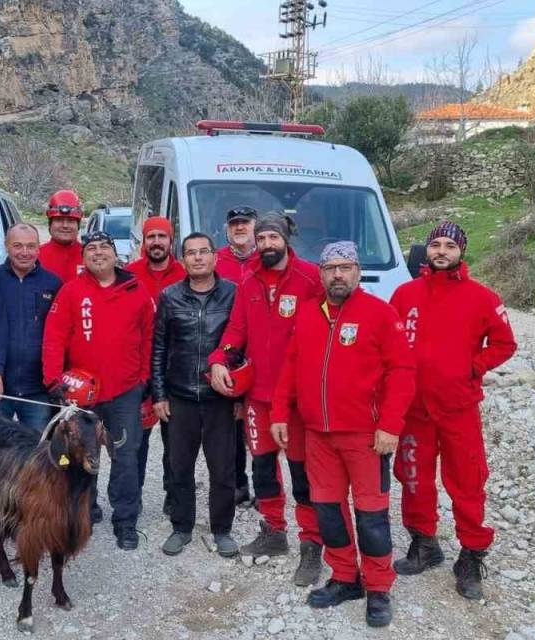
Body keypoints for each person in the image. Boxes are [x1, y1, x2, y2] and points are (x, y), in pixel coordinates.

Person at [270, 241, 415, 627]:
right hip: (318, 435)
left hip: (366, 436)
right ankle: (345, 577)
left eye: (345, 267)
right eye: (331, 268)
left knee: (371, 516)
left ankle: (380, 586)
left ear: (357, 272)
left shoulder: (380, 314)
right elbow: (291, 366)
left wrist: (390, 425)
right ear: (320, 274)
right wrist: (280, 413)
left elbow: (402, 373)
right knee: (329, 512)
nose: (338, 274)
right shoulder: (307, 315)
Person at [389, 220, 518, 601]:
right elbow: (390, 343)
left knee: (467, 480)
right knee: (413, 477)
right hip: (414, 408)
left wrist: (472, 367)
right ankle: (424, 543)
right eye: (435, 245)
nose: (441, 251)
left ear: (461, 251)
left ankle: (471, 553)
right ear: (426, 251)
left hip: (458, 406)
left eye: (449, 245)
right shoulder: (405, 294)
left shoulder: (483, 297)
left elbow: (504, 343)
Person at [207, 214, 327, 587]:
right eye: (261, 239)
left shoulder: (310, 278)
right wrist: (219, 358)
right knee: (262, 467)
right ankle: (275, 530)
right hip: (259, 395)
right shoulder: (250, 279)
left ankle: (312, 544)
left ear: (287, 238)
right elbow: (237, 328)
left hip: (296, 398)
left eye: (273, 236)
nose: (266, 244)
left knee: (302, 472)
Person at [42, 230, 154, 550]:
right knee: (80, 457)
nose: (98, 253)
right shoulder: (71, 292)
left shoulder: (136, 290)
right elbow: (54, 337)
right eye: (91, 248)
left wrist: (144, 379)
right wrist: (54, 379)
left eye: (105, 247)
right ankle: (84, 513)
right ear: (83, 256)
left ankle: (126, 522)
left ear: (115, 254)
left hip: (125, 392)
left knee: (125, 458)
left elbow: (149, 338)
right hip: (82, 396)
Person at [151, 232, 239, 558]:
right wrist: (158, 394)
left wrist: (241, 397)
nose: (198, 258)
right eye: (191, 253)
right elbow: (159, 348)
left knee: (223, 470)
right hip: (180, 396)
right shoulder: (170, 296)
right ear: (183, 259)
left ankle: (222, 529)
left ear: (216, 257)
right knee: (179, 467)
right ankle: (182, 527)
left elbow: (243, 345)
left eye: (204, 252)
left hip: (221, 399)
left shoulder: (233, 294)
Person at [125, 216, 186, 515]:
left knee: (175, 440)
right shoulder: (129, 275)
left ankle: (173, 495)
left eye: (163, 236)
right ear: (144, 242)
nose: (157, 242)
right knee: (137, 439)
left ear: (171, 240)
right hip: (139, 370)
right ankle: (131, 496)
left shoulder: (185, 273)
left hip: (176, 369)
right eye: (152, 237)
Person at [0, 223, 62, 430]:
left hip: (37, 388)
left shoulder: (53, 283)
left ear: (39, 247)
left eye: (30, 246)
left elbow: (60, 334)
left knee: (35, 453)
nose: (24, 252)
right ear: (7, 246)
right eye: (17, 246)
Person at [213, 205, 259, 506]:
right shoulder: (217, 259)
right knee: (230, 425)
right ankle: (238, 484)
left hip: (257, 350)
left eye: (244, 223)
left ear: (254, 226)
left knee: (257, 423)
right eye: (234, 224)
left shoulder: (266, 257)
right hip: (226, 348)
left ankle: (266, 487)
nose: (239, 227)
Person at [38, 189, 84, 282]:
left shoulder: (91, 256)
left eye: (71, 220)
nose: (65, 225)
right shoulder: (35, 256)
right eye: (59, 220)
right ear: (50, 224)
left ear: (78, 225)